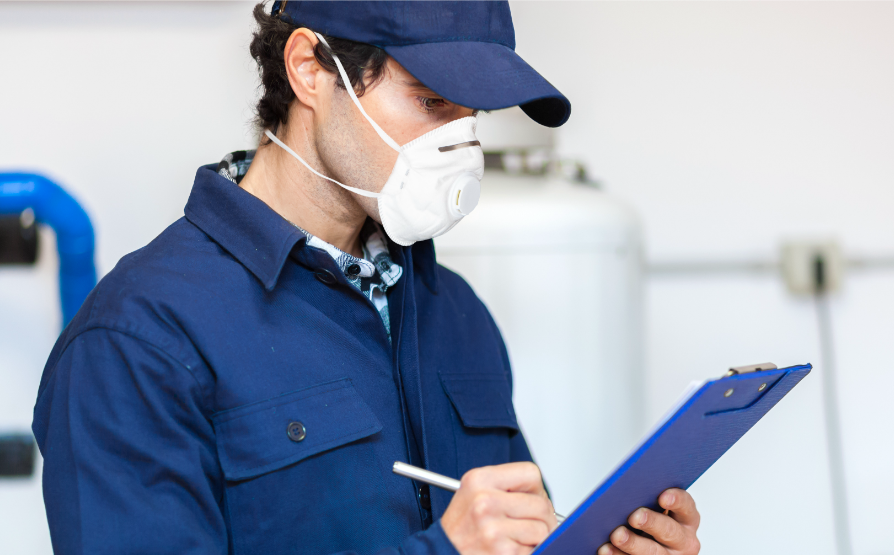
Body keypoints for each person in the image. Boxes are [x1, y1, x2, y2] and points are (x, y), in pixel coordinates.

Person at [32, 1, 702, 554]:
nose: (459, 146)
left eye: (474, 116)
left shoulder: (455, 312)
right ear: (309, 69)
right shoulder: (138, 339)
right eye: (431, 99)